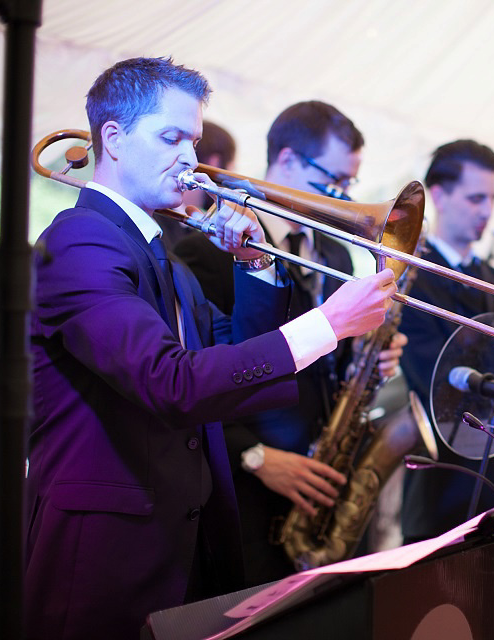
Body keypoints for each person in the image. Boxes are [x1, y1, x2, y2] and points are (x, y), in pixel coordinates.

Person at [24, 57, 397, 640]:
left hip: (181, 547)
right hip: (104, 560)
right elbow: (170, 382)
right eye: (170, 137)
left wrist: (258, 261)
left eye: (193, 140)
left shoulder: (159, 251)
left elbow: (237, 363)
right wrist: (327, 324)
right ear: (114, 139)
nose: (190, 159)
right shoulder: (78, 240)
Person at [174, 100, 406, 586]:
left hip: (320, 480)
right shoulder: (202, 250)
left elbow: (324, 358)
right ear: (285, 161)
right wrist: (253, 456)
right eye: (332, 181)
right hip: (248, 495)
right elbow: (195, 376)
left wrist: (366, 362)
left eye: (348, 186)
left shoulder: (334, 250)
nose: (341, 197)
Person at [398, 139, 494, 543]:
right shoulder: (413, 279)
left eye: (492, 198)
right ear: (440, 196)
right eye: (476, 198)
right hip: (443, 493)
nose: (487, 211)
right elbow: (444, 383)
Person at [156, 120, 238, 250]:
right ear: (215, 162)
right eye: (171, 140)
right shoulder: (160, 220)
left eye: (194, 146)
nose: (193, 162)